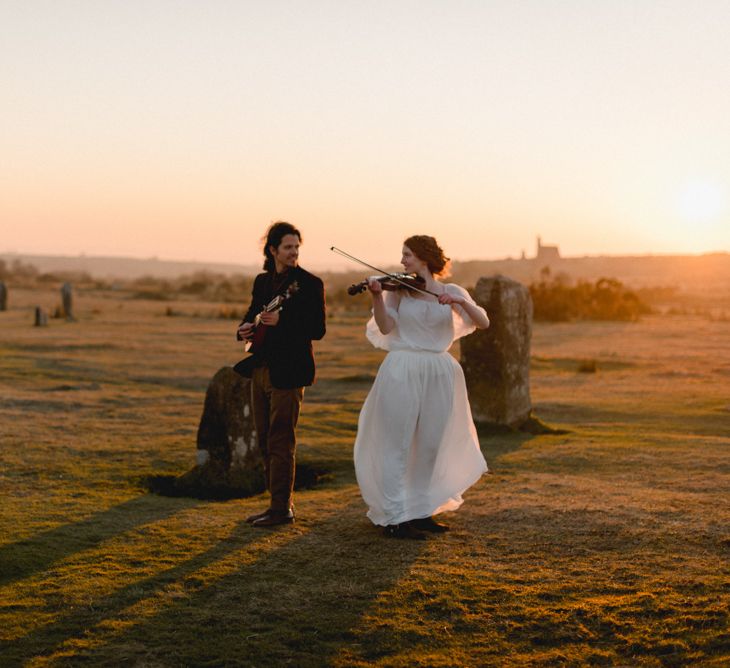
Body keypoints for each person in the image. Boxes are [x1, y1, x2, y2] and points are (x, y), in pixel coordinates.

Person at [354, 235, 490, 539]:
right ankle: (394, 516)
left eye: (408, 255)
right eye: (402, 255)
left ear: (425, 258)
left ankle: (422, 511)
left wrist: (461, 302)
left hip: (440, 371)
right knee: (398, 442)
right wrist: (377, 296)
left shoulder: (451, 291)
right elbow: (387, 327)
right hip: (403, 367)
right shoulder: (399, 292)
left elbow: (483, 322)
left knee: (431, 444)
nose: (402, 261)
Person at [236, 222, 326, 527]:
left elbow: (318, 330)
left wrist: (282, 324)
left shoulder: (310, 283)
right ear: (273, 250)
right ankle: (274, 504)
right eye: (288, 247)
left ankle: (281, 510)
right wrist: (243, 328)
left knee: (281, 440)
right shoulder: (262, 282)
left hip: (289, 371)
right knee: (264, 439)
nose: (294, 253)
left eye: (297, 247)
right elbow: (252, 315)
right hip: (260, 368)